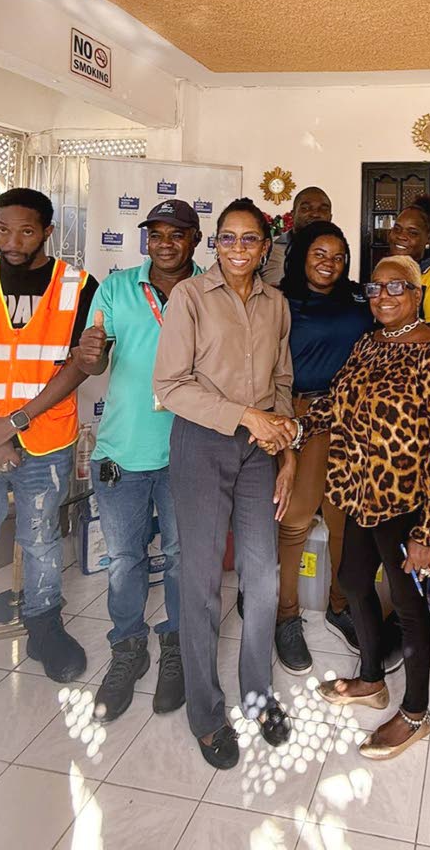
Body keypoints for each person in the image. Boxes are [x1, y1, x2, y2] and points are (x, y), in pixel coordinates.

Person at [302, 254, 430, 760]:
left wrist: (429, 530)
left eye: (398, 286)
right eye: (375, 288)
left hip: (405, 506)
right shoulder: (369, 344)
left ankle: (415, 713)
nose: (385, 296)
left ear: (418, 295)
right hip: (358, 494)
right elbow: (336, 400)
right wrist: (295, 428)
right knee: (352, 582)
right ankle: (372, 681)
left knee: (411, 608)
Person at [153, 197, 298, 771]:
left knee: (262, 578)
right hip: (201, 443)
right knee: (201, 578)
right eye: (228, 238)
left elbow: (282, 380)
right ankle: (207, 713)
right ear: (214, 244)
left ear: (265, 248)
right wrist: (246, 417)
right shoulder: (188, 297)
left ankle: (259, 694)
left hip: (260, 450)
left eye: (250, 240)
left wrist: (280, 437)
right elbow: (171, 386)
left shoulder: (277, 304)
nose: (238, 248)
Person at [0, 188, 98, 681]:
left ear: (48, 232)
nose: (12, 241)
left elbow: (79, 367)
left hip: (43, 439)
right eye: (2, 229)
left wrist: (12, 428)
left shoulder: (77, 284)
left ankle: (43, 625)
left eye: (26, 231)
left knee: (40, 537)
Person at [76, 200, 203, 722]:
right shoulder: (115, 288)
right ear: (146, 238)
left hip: (188, 451)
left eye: (177, 234)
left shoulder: (211, 290)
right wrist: (91, 354)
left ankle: (174, 646)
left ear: (196, 240)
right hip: (123, 452)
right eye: (156, 233)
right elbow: (98, 356)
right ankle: (127, 648)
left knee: (179, 557)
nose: (166, 243)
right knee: (125, 560)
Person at [274, 219, 374, 673]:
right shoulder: (279, 298)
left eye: (338, 257)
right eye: (319, 254)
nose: (329, 264)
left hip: (353, 417)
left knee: (345, 520)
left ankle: (339, 605)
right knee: (294, 518)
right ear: (302, 255)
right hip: (301, 415)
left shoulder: (359, 297)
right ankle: (286, 614)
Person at [388, 194, 430, 342]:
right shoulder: (385, 274)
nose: (402, 236)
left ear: (428, 239)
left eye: (412, 232)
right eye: (397, 229)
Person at [261, 186, 332, 285]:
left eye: (323, 209)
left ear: (330, 217)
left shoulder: (336, 254)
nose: (315, 214)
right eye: (306, 208)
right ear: (293, 214)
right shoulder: (268, 248)